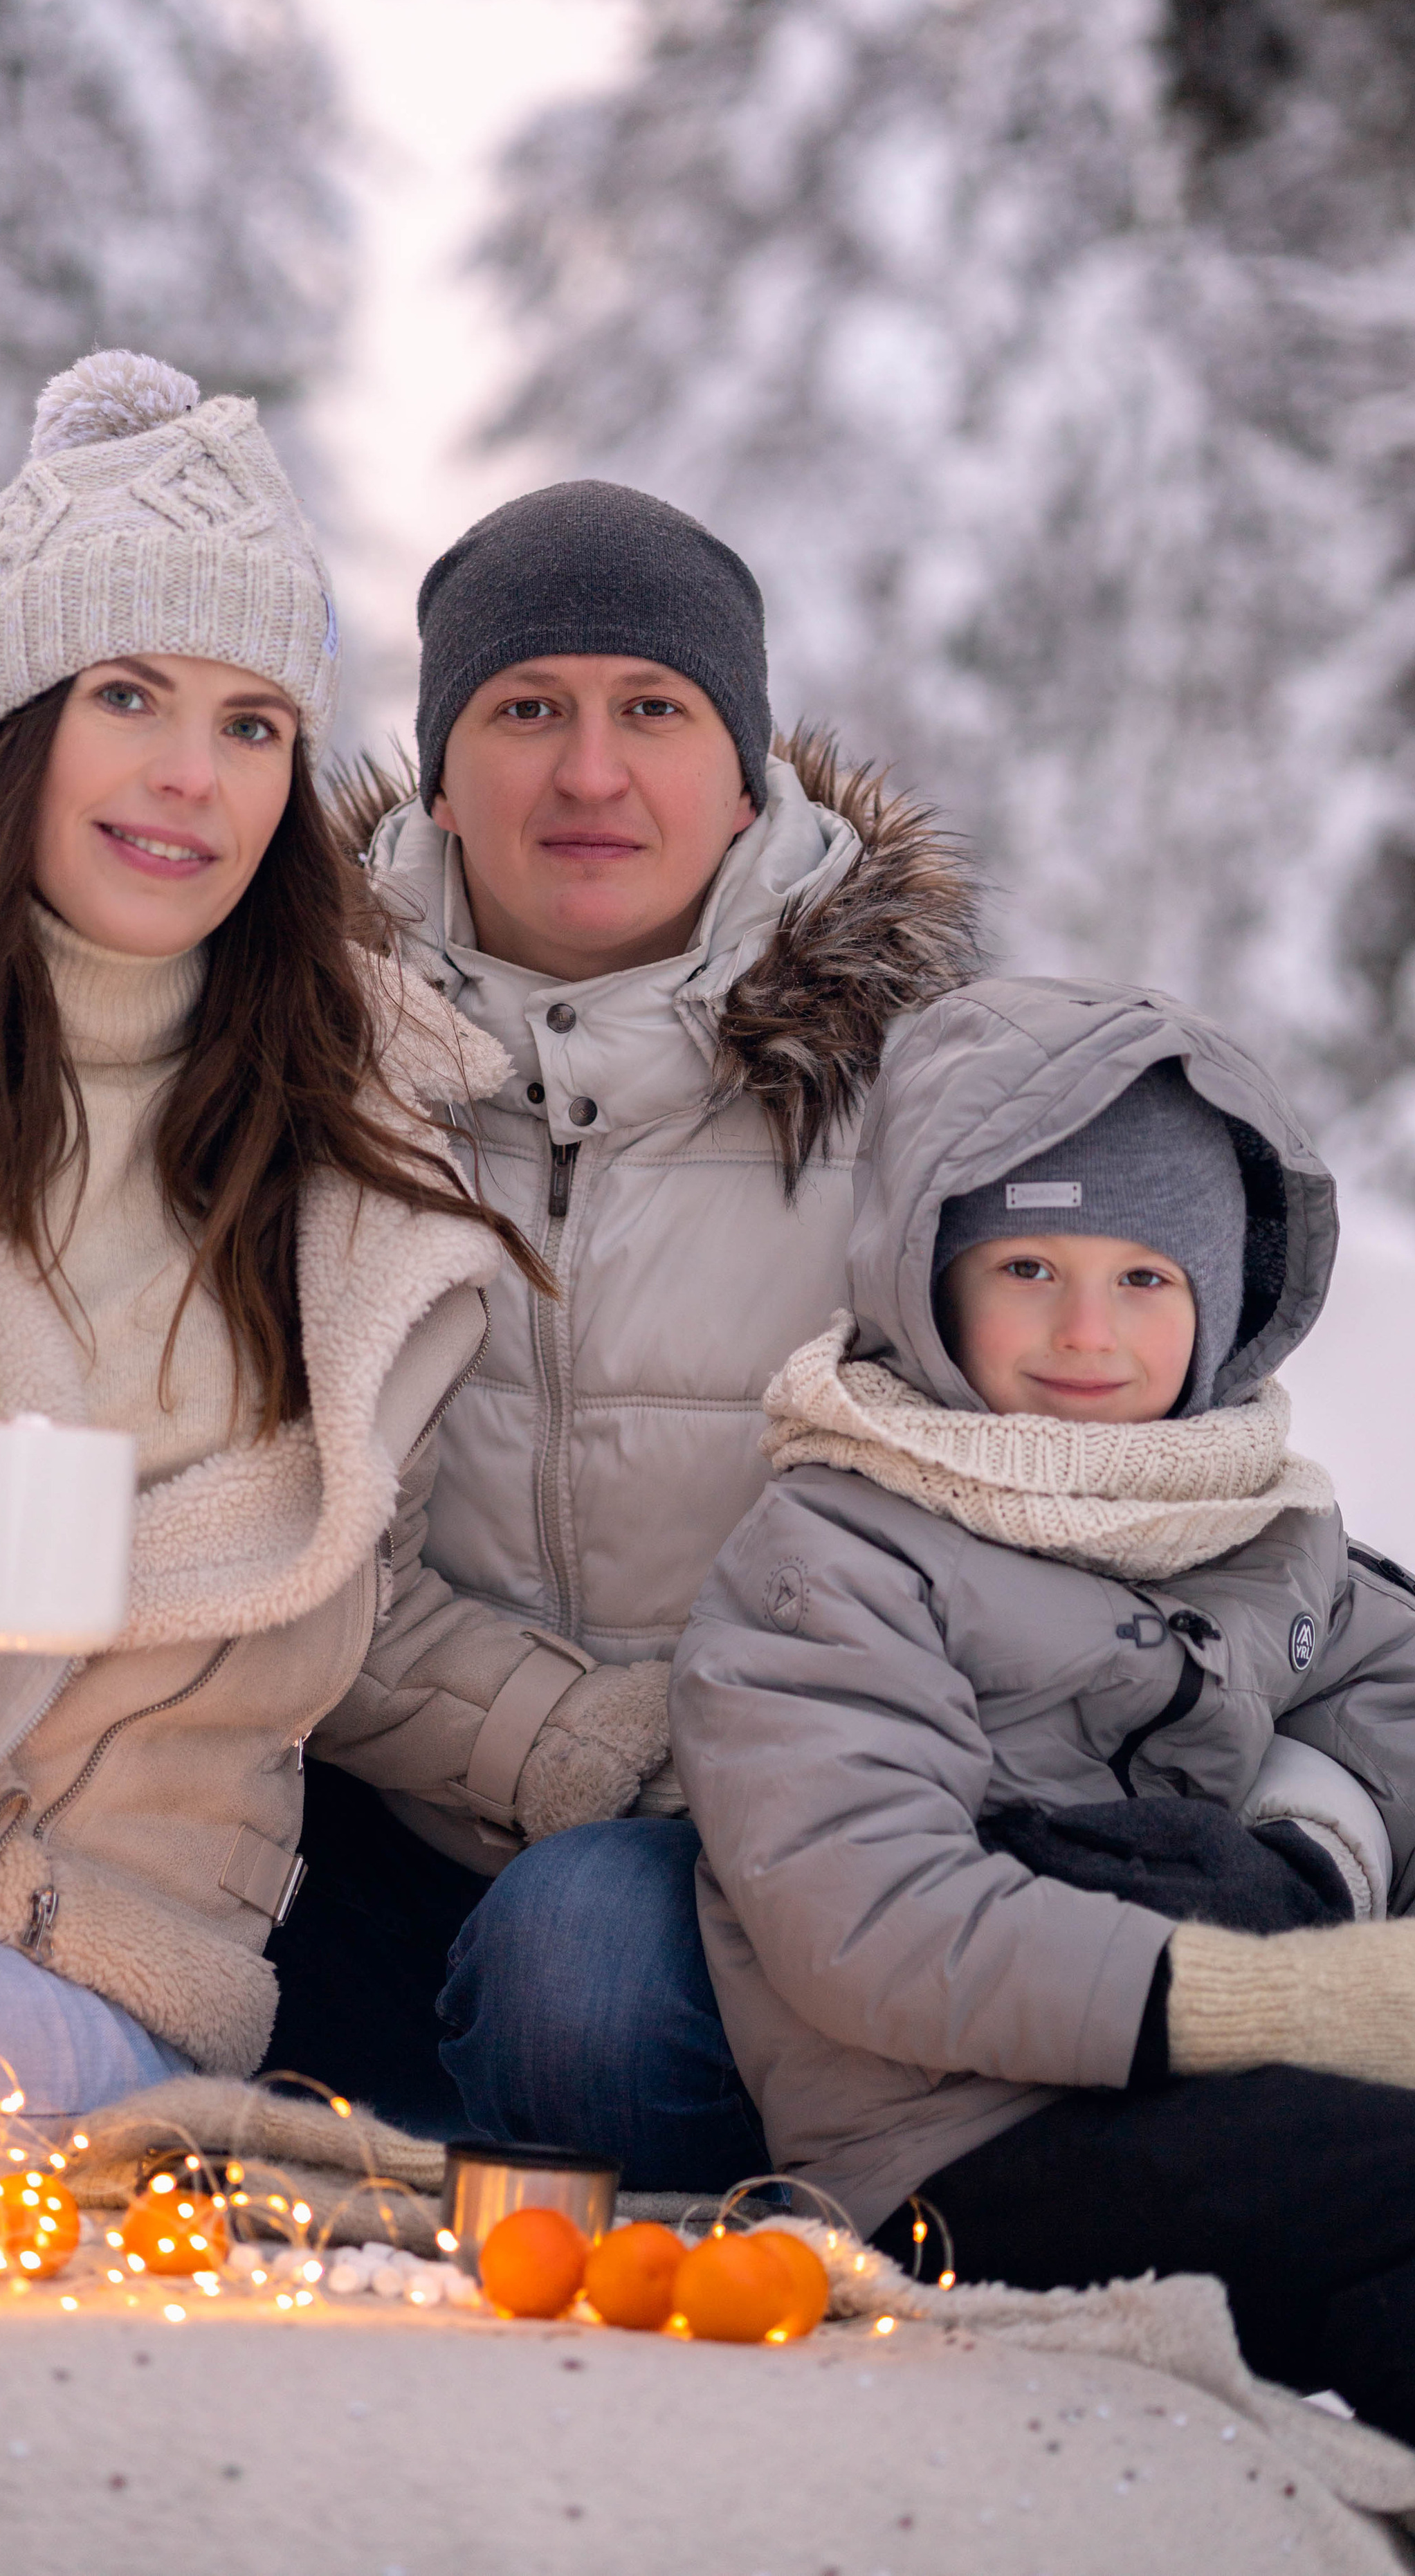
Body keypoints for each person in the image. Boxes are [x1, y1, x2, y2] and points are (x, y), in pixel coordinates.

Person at [0, 354, 667, 2211]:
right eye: (130, 695)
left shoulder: (370, 1181)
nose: (188, 780)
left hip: (67, 1964)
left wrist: (652, 1753)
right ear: (20, 721)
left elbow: (368, 1629)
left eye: (252, 723)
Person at [264, 479, 978, 2182]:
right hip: (362, 1813)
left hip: (728, 1856)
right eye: (527, 711)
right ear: (441, 771)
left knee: (577, 1959)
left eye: (651, 710)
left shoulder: (922, 1098)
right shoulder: (283, 1063)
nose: (590, 774)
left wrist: (720, 1780)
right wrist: (585, 1749)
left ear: (743, 777)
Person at [670, 974, 1415, 2460]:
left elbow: (1409, 1732)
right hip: (955, 2144)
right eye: (1027, 1264)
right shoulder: (840, 1548)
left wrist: (1328, 1869)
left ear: (1219, 1304)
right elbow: (868, 1917)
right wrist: (1262, 1995)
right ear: (930, 1276)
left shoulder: (1261, 1531)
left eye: (1145, 1278)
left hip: (1233, 2094)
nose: (1085, 1329)